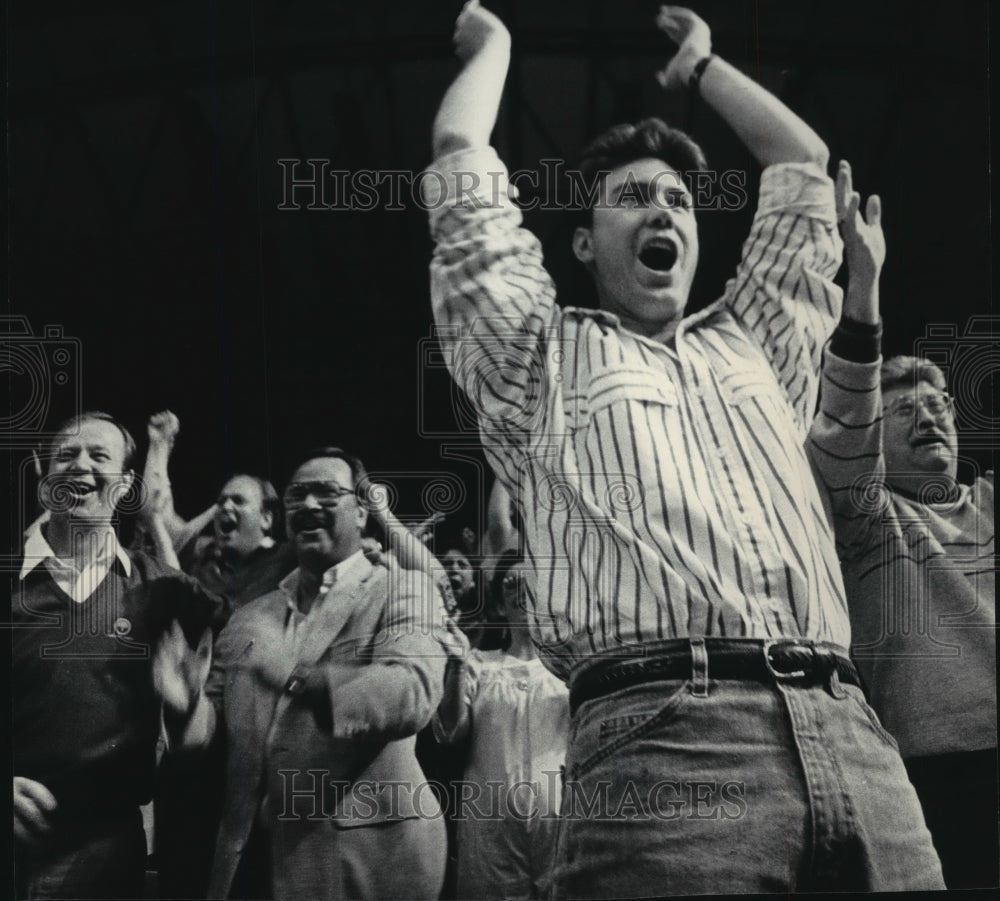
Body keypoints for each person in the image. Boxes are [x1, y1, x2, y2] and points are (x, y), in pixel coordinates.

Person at [425, 2, 944, 893]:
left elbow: (802, 167)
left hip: (850, 730)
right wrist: (497, 46)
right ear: (585, 243)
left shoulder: (758, 343)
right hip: (662, 745)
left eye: (677, 199)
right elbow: (462, 168)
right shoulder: (538, 356)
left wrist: (703, 67)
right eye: (632, 197)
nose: (661, 208)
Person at [155, 447, 457, 900]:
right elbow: (212, 730)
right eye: (297, 496)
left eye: (327, 493)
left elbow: (410, 692)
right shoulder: (253, 617)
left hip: (364, 863)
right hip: (252, 861)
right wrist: (185, 708)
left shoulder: (403, 590)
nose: (309, 505)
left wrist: (297, 675)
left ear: (362, 514)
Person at [808, 169, 997, 889]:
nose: (931, 415)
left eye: (942, 400)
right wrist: (863, 288)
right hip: (924, 780)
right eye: (905, 406)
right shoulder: (864, 512)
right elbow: (843, 420)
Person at [12, 411, 222, 900]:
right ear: (42, 473)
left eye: (99, 456)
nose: (80, 466)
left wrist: (186, 706)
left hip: (102, 856)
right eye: (66, 454)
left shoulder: (167, 591)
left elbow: (196, 742)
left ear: (126, 484)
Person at [435, 551, 569, 900]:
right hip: (490, 829)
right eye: (512, 584)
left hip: (561, 823)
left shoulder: (568, 668)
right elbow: (450, 733)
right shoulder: (480, 664)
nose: (522, 591)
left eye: (531, 583)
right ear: (498, 605)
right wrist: (457, 666)